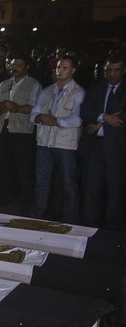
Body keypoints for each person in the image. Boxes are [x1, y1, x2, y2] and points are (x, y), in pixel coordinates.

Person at [30, 55, 85, 223]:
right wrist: (40, 117)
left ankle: (70, 219)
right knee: (42, 181)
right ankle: (38, 214)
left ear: (73, 70)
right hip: (45, 142)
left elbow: (78, 119)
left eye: (65, 68)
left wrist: (56, 121)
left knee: (68, 183)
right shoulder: (47, 91)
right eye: (58, 68)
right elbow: (34, 114)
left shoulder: (78, 93)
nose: (60, 71)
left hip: (65, 144)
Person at [0, 55, 41, 211]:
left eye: (19, 64)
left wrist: (16, 108)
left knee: (23, 166)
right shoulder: (5, 83)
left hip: (21, 130)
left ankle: (25, 200)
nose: (14, 67)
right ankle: (0, 197)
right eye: (12, 64)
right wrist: (3, 105)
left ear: (26, 67)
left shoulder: (34, 84)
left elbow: (35, 107)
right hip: (2, 127)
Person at [81, 53, 126, 229]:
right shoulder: (96, 87)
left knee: (115, 189)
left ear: (123, 70)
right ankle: (90, 224)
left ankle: (111, 226)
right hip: (95, 146)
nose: (112, 74)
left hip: (118, 147)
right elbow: (85, 110)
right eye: (108, 70)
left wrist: (100, 123)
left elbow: (122, 118)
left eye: (116, 70)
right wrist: (105, 117)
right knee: (92, 186)